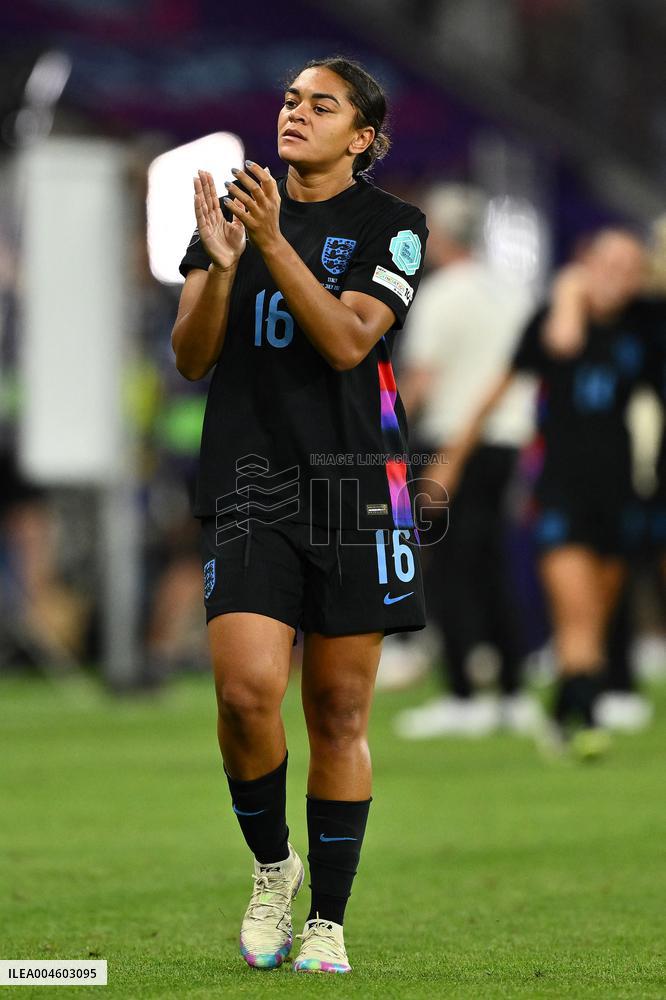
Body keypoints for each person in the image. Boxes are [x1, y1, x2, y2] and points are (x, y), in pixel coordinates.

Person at [171, 57, 428, 974]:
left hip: (358, 488)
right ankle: (273, 868)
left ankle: (329, 919)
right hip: (249, 482)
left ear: (362, 137)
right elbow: (191, 356)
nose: (296, 114)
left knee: (339, 709)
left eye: (322, 105)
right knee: (246, 694)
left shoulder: (394, 225)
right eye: (289, 100)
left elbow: (350, 340)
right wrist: (221, 266)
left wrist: (272, 244)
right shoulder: (234, 216)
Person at [430, 230, 651, 756]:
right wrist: (452, 460)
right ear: (584, 263)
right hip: (559, 488)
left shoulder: (643, 326)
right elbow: (519, 375)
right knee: (575, 611)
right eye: (608, 262)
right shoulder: (554, 316)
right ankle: (589, 723)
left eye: (629, 267)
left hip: (620, 490)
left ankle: (561, 711)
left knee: (596, 615)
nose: (618, 275)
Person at [387, 184, 539, 736]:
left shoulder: (440, 296)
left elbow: (421, 384)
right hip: (506, 444)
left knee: (450, 570)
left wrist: (381, 437)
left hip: (452, 443)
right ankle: (513, 691)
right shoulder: (513, 292)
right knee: (492, 564)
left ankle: (463, 694)